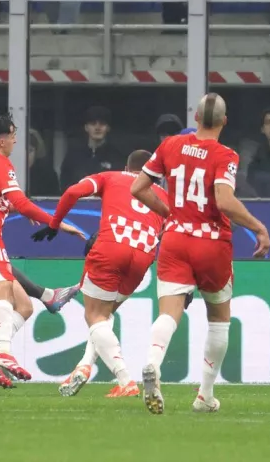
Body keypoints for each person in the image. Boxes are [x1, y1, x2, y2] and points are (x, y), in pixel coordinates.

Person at [130, 93, 270, 414]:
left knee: (168, 313)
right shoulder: (226, 155)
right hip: (212, 243)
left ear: (195, 117)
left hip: (175, 239)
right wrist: (258, 226)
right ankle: (205, 395)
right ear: (224, 121)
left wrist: (170, 213)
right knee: (219, 320)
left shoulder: (169, 147)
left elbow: (138, 188)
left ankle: (153, 361)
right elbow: (223, 200)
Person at [32, 149, 168, 399]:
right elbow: (170, 233)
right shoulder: (163, 196)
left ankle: (126, 380)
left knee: (95, 316)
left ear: (127, 167)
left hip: (110, 247)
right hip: (143, 257)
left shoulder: (111, 177)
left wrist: (54, 224)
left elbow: (72, 192)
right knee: (104, 315)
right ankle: (84, 365)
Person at [0, 115, 84, 388]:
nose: (16, 140)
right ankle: (4, 352)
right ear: (1, 140)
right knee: (3, 295)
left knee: (24, 306)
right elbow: (21, 202)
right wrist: (57, 223)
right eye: (13, 134)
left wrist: (9, 208)